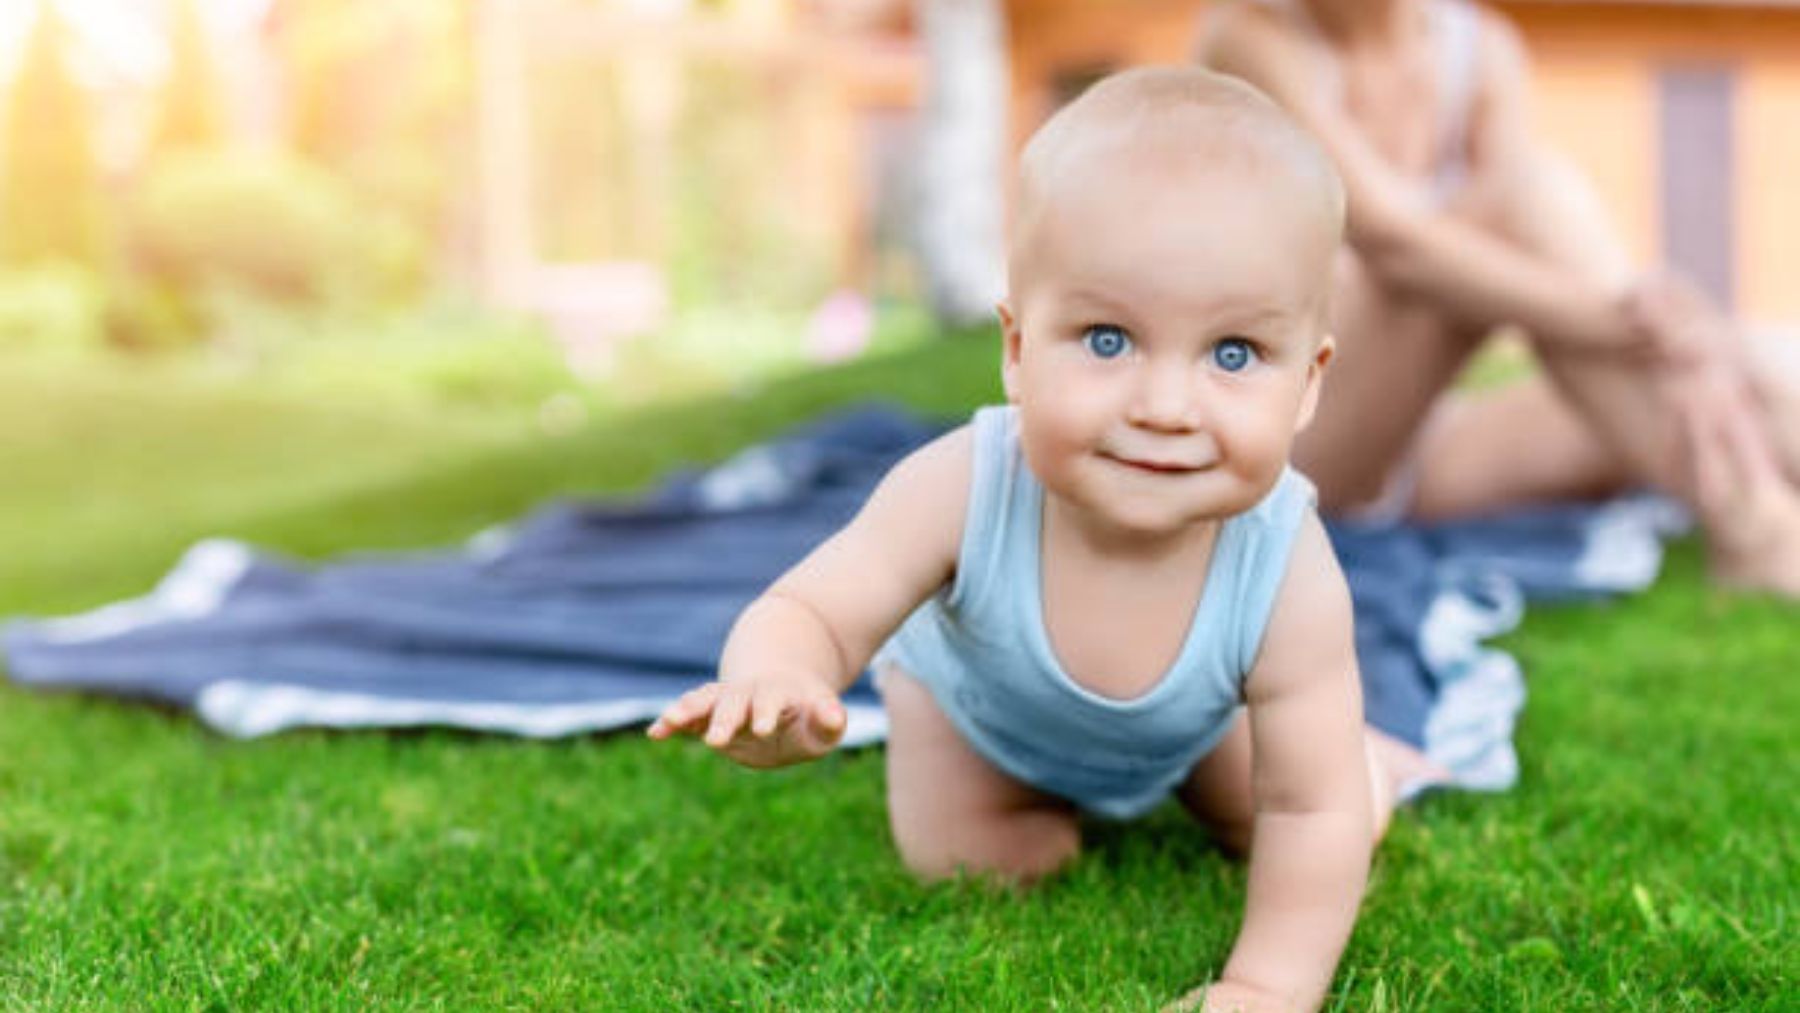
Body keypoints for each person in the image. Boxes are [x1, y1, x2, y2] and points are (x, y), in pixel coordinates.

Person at [650, 66, 1431, 1013]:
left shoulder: (1286, 564)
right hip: (975, 724)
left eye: (1234, 354)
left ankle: (1374, 761)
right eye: (1108, 339)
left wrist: (1266, 986)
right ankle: (1025, 807)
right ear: (1018, 350)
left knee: (1312, 813)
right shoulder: (964, 485)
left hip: (1188, 729)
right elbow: (813, 606)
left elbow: (1308, 807)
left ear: (1307, 383)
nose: (1165, 406)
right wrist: (774, 675)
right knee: (975, 864)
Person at [1196, 0, 1800, 596]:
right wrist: (1635, 325)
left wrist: (1691, 341)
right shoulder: (1257, 36)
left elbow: (1541, 273)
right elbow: (1394, 240)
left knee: (1740, 360)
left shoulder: (1480, 47)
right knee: (1529, 196)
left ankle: (1764, 494)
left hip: (1425, 447)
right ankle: (1758, 527)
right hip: (1295, 442)